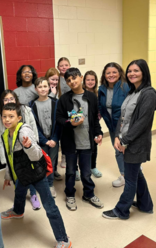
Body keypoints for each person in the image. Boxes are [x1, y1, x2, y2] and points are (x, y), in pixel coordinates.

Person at [0, 103, 72, 248]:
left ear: (19, 118)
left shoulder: (23, 131)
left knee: (49, 206)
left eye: (11, 117)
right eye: (4, 116)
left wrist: (29, 146)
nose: (7, 120)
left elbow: (37, 155)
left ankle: (63, 239)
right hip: (21, 171)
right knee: (19, 193)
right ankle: (18, 211)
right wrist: (8, 175)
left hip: (36, 173)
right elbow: (10, 157)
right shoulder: (6, 133)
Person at [103, 59, 156, 219]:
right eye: (130, 71)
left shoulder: (149, 93)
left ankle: (121, 211)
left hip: (136, 143)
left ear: (144, 72)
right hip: (126, 139)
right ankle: (145, 205)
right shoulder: (133, 92)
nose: (132, 73)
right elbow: (123, 116)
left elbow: (142, 123)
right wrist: (118, 136)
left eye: (136, 71)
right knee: (136, 173)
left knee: (130, 178)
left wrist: (125, 141)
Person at [56, 67, 104, 211]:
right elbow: (59, 119)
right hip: (70, 142)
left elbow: (95, 119)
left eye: (74, 78)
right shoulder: (64, 99)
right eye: (68, 80)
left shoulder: (91, 97)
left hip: (87, 142)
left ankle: (88, 194)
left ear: (81, 77)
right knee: (70, 171)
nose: (72, 81)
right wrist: (70, 123)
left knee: (86, 172)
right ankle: (70, 195)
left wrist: (99, 132)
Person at [0, 90, 41, 210]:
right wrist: (4, 157)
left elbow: (33, 127)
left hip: (27, 146)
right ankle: (19, 198)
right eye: (6, 99)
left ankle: (33, 194)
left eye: (11, 99)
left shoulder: (26, 110)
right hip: (13, 151)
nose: (9, 101)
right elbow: (1, 136)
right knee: (17, 172)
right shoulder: (2, 116)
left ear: (16, 100)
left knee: (30, 171)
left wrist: (34, 143)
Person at [98, 62, 130, 188]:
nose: (111, 75)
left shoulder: (126, 87)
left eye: (114, 72)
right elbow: (101, 107)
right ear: (104, 75)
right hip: (112, 126)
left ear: (119, 73)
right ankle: (124, 175)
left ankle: (130, 174)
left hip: (125, 126)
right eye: (108, 73)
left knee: (127, 150)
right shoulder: (102, 89)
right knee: (118, 150)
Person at [29, 77, 61, 198]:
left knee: (51, 162)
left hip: (53, 140)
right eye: (40, 87)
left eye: (45, 86)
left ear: (49, 87)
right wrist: (44, 141)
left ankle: (50, 184)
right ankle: (42, 185)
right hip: (41, 141)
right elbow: (34, 126)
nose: (43, 89)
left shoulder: (55, 103)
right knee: (41, 163)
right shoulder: (31, 105)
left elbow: (59, 123)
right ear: (36, 89)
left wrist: (54, 139)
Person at [83, 70, 102, 179]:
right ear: (84, 81)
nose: (90, 82)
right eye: (88, 80)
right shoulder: (80, 92)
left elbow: (99, 110)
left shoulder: (98, 94)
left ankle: (93, 166)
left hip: (94, 124)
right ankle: (76, 169)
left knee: (94, 145)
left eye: (92, 80)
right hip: (81, 125)